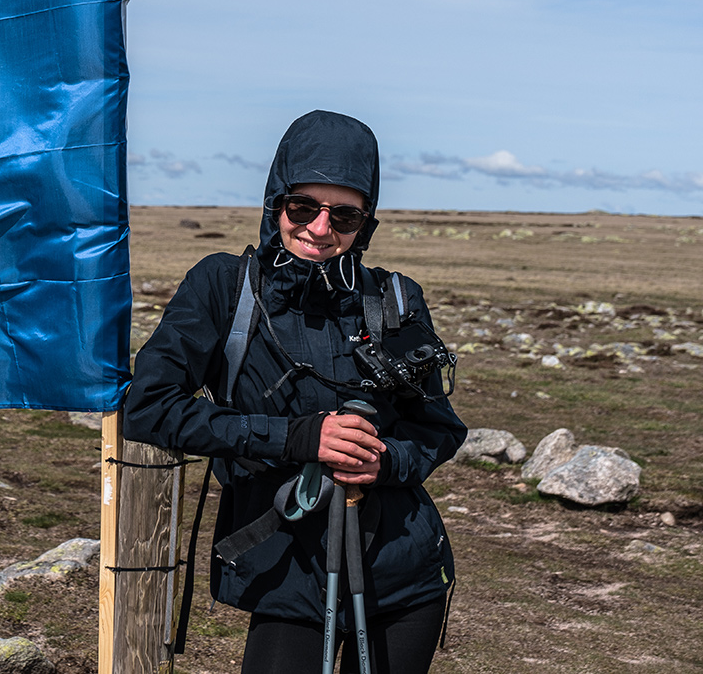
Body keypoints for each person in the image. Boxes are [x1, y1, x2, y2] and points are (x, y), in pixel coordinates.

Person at [123, 110, 466, 674]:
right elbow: (149, 408)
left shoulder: (394, 299)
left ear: (367, 224)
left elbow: (439, 428)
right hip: (285, 568)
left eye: (346, 214)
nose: (320, 228)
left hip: (403, 573)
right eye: (303, 207)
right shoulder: (223, 286)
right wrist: (295, 437)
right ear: (275, 204)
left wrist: (385, 460)